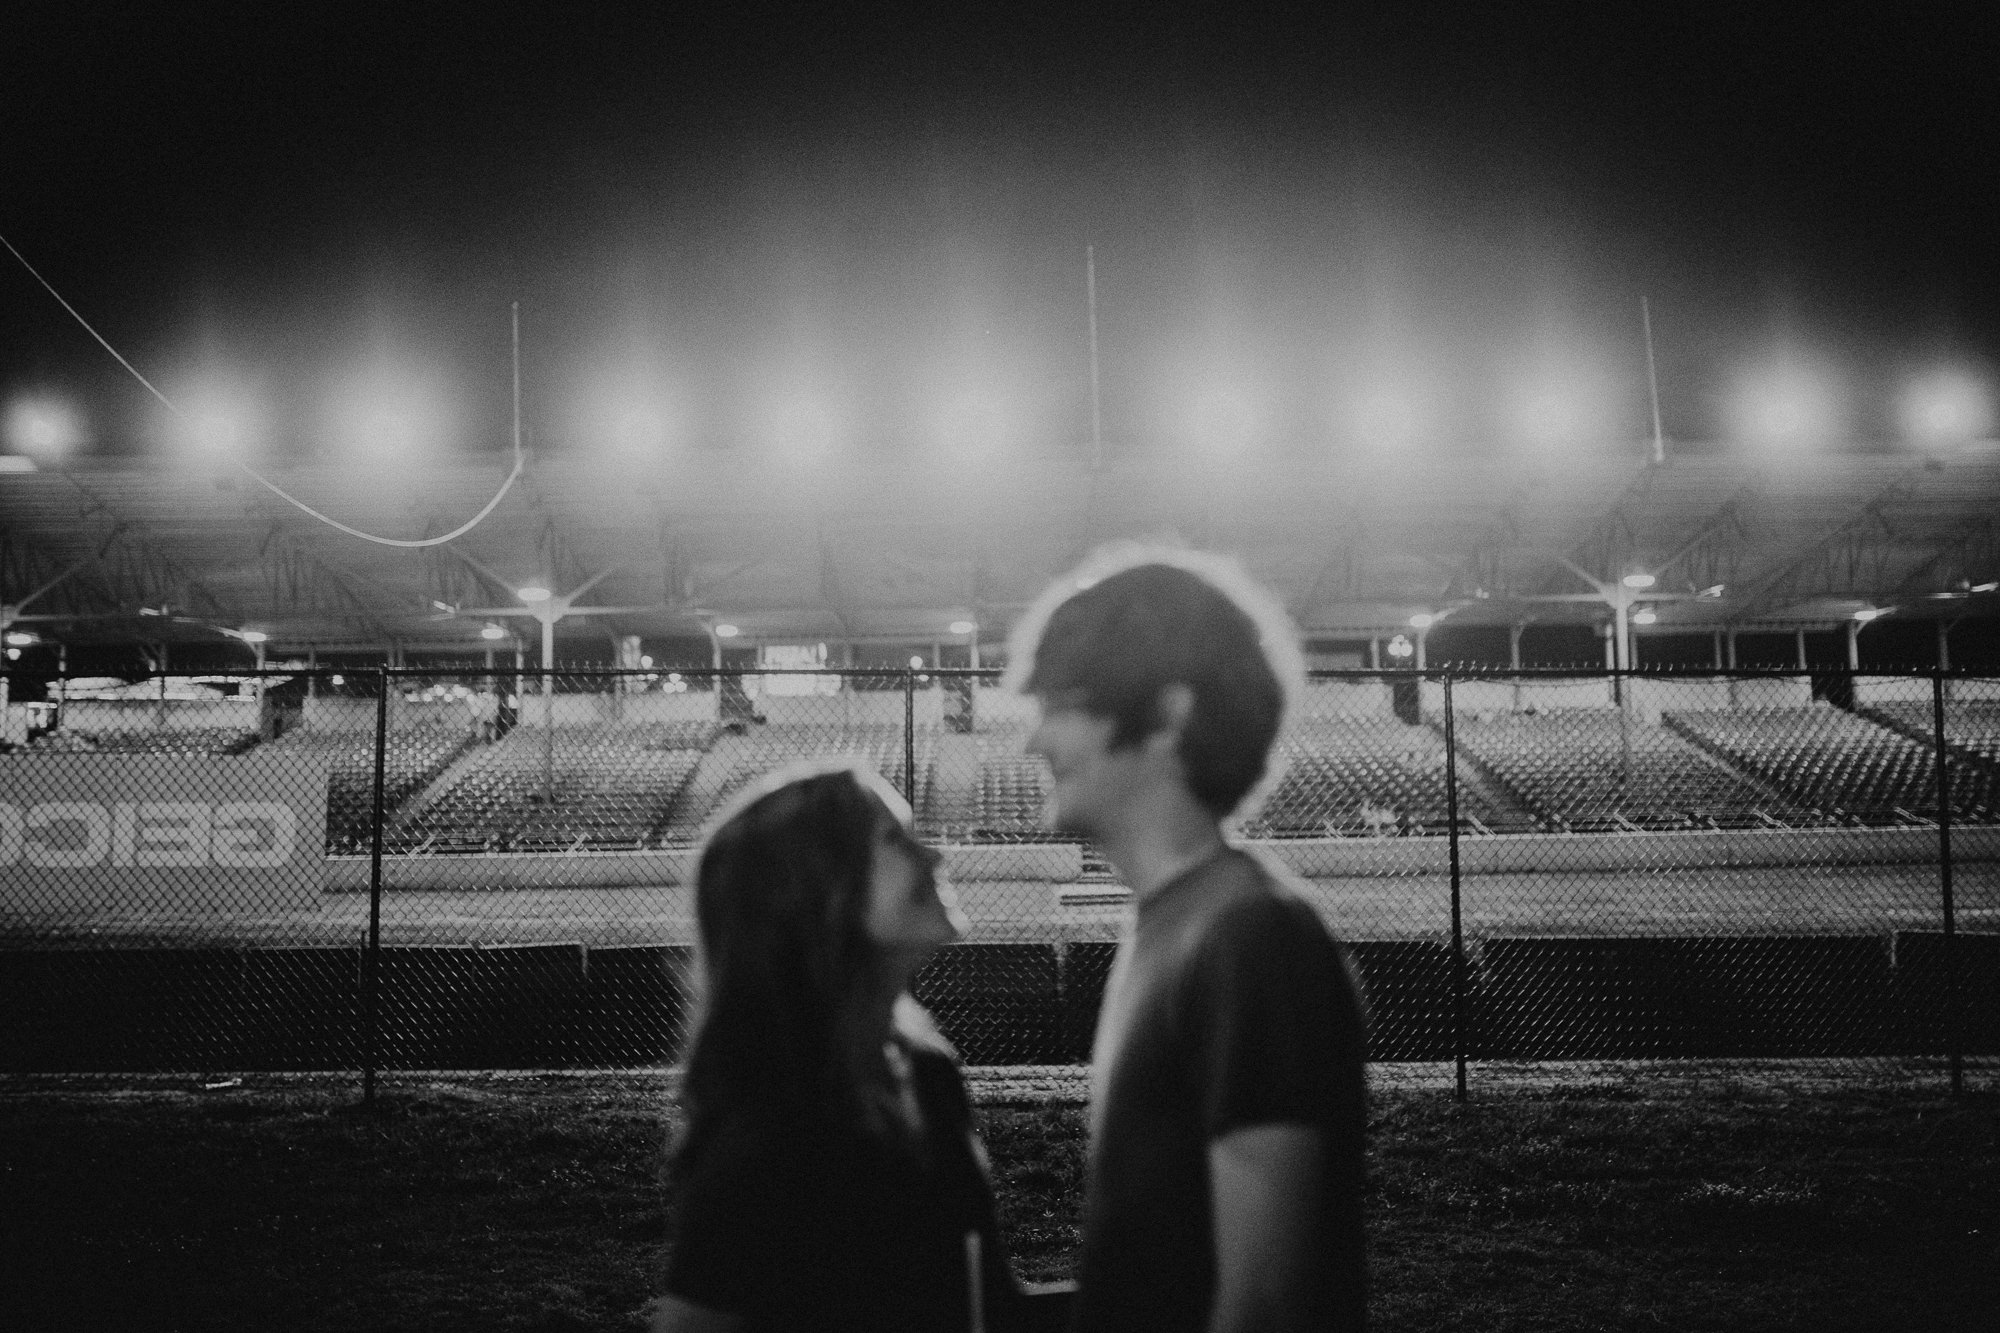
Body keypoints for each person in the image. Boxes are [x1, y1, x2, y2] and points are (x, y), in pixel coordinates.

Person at [1007, 547, 1369, 1333]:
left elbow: (1266, 1305)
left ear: (1167, 717)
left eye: (1061, 704)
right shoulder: (1176, 925)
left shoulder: (1253, 939)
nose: (1035, 743)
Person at [650, 758, 1044, 1333]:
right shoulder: (770, 1136)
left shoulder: (925, 1071)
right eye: (894, 837)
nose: (935, 855)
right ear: (817, 890)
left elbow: (984, 1302)